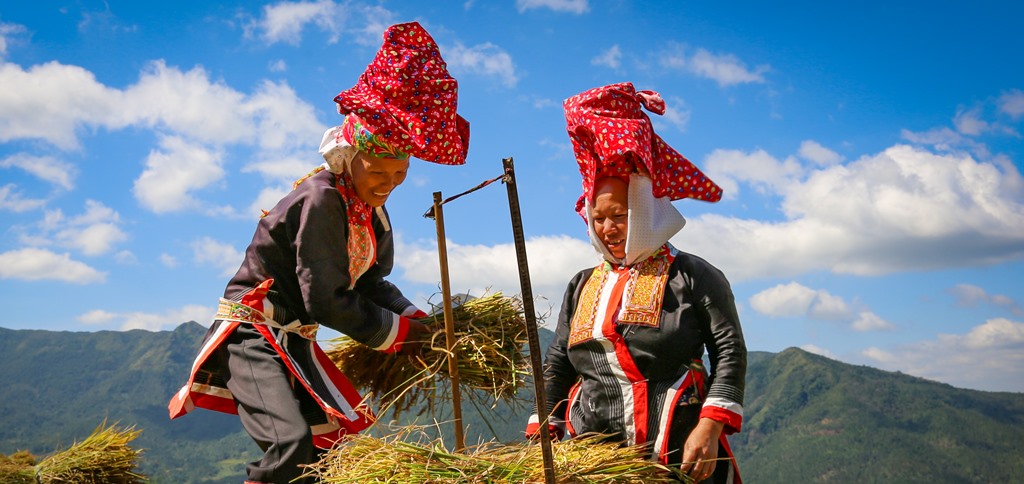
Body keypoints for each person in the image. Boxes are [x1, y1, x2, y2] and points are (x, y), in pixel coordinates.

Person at [168, 21, 470, 484]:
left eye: (399, 175)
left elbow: (369, 283)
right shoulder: (322, 198)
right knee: (289, 445)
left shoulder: (370, 214)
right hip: (253, 333)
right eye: (378, 172)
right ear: (349, 155)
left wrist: (419, 322)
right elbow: (325, 298)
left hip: (294, 339)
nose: (388, 186)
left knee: (325, 453)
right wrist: (402, 336)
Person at [526, 82, 746, 483]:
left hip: (678, 449)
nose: (608, 228)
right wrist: (545, 428)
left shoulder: (693, 275)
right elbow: (558, 362)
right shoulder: (581, 284)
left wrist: (710, 426)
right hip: (595, 455)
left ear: (644, 212)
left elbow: (728, 352)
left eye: (620, 215)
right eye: (598, 218)